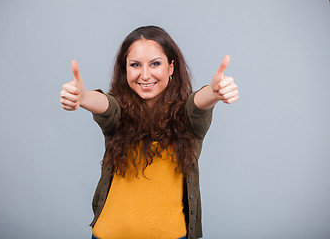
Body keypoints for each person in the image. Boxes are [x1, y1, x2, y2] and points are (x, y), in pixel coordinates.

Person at [60, 25, 238, 239]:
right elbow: (107, 106)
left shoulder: (187, 117)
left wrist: (214, 93)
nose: (145, 75)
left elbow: (197, 104)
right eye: (135, 65)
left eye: (155, 63)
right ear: (125, 69)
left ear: (171, 67)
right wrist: (84, 98)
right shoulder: (119, 112)